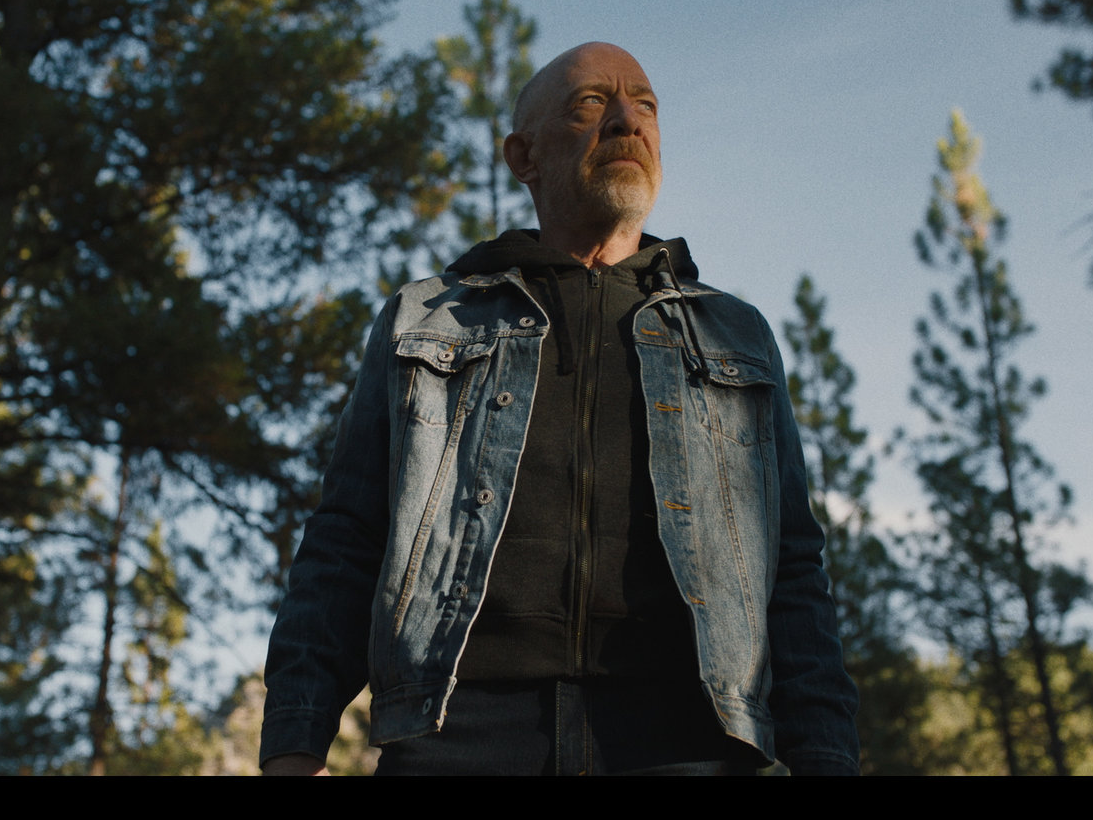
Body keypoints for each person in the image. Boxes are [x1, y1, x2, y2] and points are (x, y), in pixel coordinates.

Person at [260, 42, 859, 776]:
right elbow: (347, 537)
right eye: (590, 103)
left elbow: (790, 564)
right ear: (524, 156)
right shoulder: (428, 320)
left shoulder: (734, 333)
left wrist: (825, 753)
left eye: (645, 104)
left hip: (686, 740)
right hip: (458, 736)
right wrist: (295, 740)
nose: (627, 121)